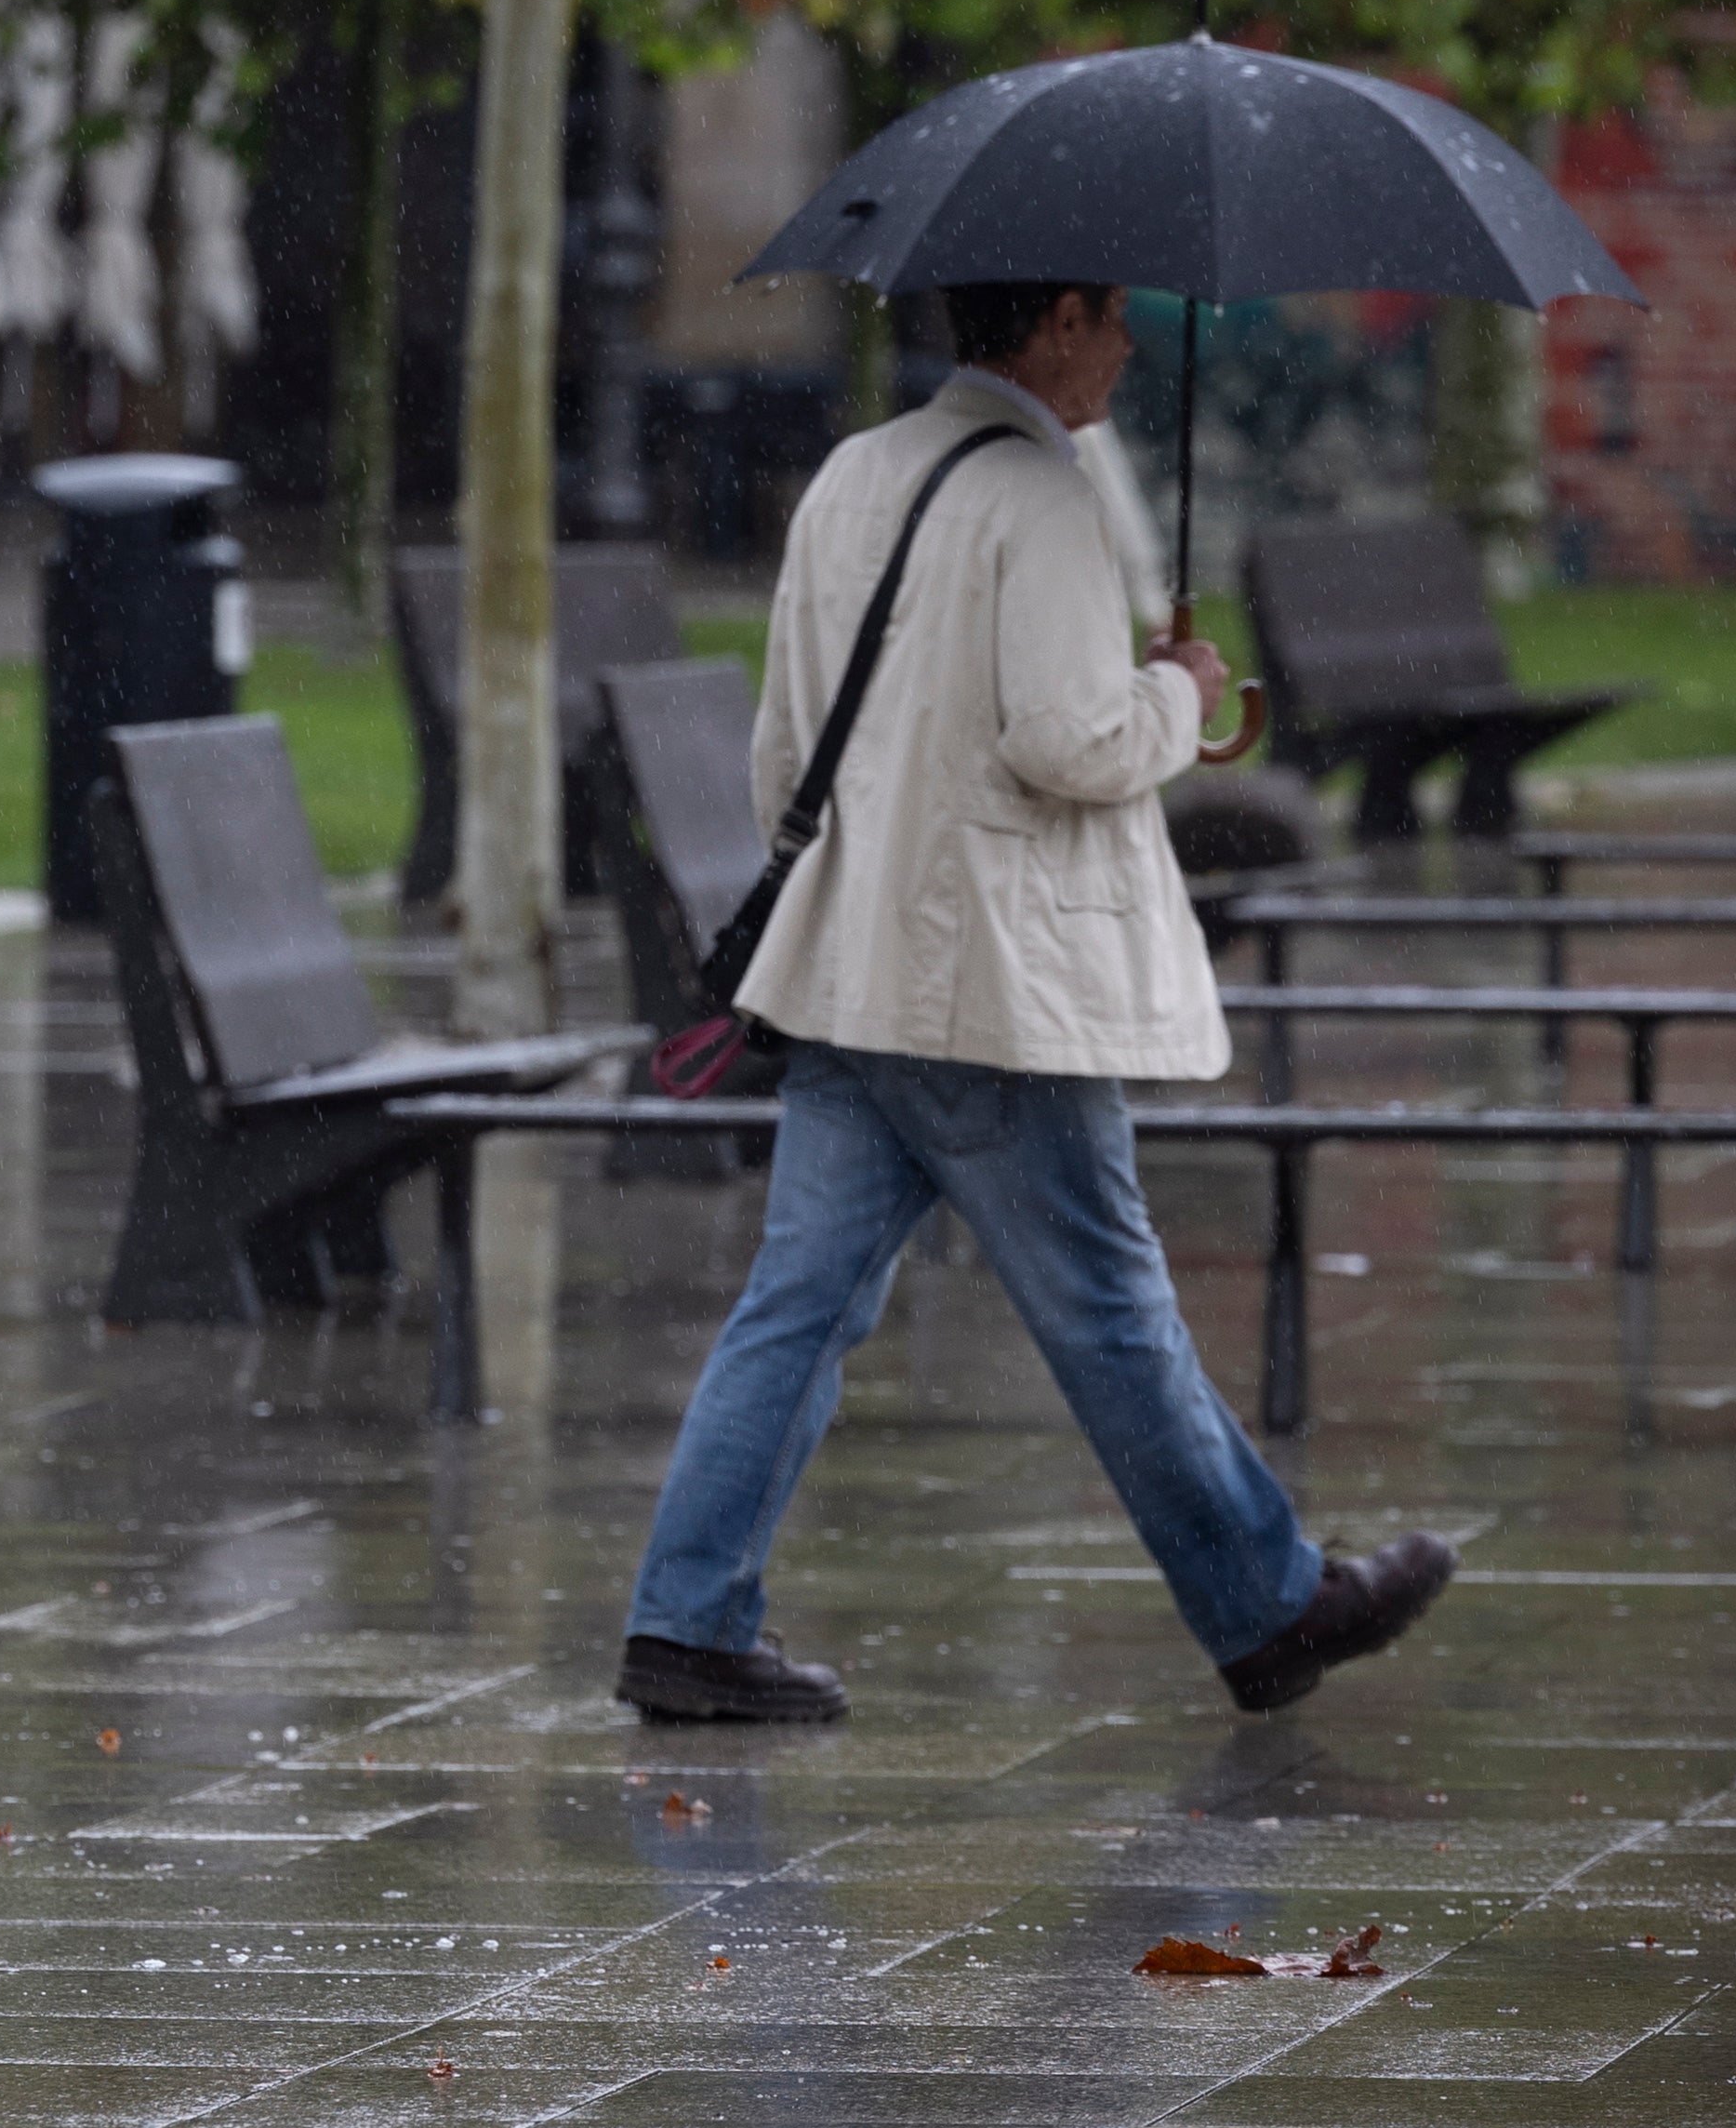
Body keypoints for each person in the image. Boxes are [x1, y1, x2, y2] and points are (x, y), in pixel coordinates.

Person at [619, 276, 1454, 1727]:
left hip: (843, 971)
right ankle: (1269, 1606)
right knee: (1109, 1308)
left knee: (794, 1310)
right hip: (991, 989)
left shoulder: (849, 473)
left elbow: (781, 746)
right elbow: (1065, 740)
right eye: (1112, 321)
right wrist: (1181, 693)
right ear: (1054, 321)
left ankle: (684, 1621)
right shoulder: (1042, 501)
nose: (1128, 347)